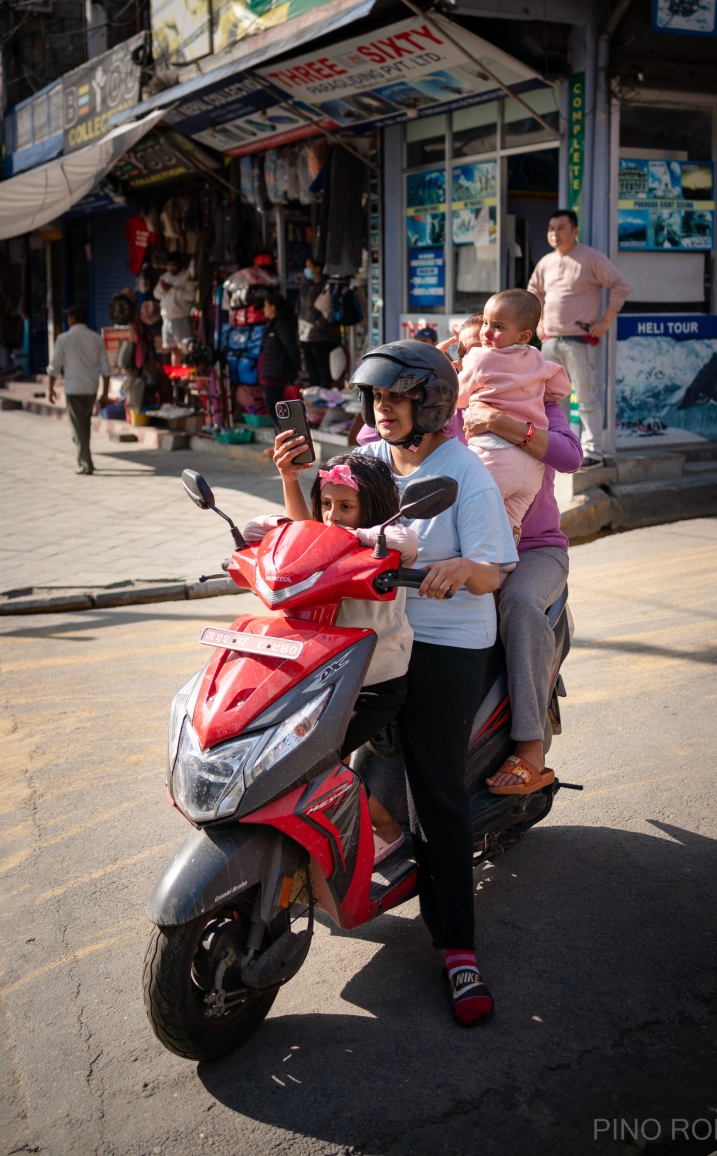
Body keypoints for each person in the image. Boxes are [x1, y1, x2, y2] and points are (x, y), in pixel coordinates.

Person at [280, 341, 518, 1027]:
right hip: (378, 628)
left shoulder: (463, 474)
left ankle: (458, 950)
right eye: (375, 399)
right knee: (314, 747)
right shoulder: (371, 458)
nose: (382, 410)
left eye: (395, 398)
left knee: (433, 789)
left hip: (444, 639)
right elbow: (323, 528)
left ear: (432, 402)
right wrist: (295, 478)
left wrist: (458, 573)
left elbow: (494, 570)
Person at [246, 450, 418, 863]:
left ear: (372, 507)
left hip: (377, 682)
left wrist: (344, 535)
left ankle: (387, 830)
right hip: (324, 678)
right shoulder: (326, 542)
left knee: (316, 762)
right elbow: (280, 532)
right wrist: (288, 491)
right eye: (326, 504)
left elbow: (406, 540)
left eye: (346, 506)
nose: (332, 515)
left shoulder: (383, 545)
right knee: (287, 757)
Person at [459, 394, 582, 795]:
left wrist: (499, 422)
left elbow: (570, 456)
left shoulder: (536, 399)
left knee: (520, 602)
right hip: (465, 550)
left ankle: (530, 746)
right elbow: (379, 441)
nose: (488, 347)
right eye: (475, 344)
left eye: (497, 331)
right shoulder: (451, 402)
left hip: (535, 550)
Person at [456, 289, 570, 542]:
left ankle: (486, 565)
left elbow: (458, 397)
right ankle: (505, 560)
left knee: (471, 518)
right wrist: (532, 389)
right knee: (509, 523)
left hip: (493, 456)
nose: (486, 332)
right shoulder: (537, 359)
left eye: (497, 327)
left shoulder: (479, 358)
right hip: (532, 467)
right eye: (486, 323)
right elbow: (562, 387)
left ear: (524, 335)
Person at [527, 209, 629, 469]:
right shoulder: (546, 262)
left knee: (586, 396)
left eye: (561, 228)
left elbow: (619, 284)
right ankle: (557, 448)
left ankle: (593, 451)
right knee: (551, 399)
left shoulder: (590, 258)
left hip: (580, 341)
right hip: (550, 340)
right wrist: (538, 323)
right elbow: (533, 292)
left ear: (575, 231)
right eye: (551, 228)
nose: (554, 233)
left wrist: (605, 320)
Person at [46, 304, 110, 475]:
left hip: (73, 389)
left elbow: (54, 368)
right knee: (84, 424)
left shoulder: (63, 339)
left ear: (72, 319)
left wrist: (50, 389)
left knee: (78, 427)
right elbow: (106, 369)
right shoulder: (96, 339)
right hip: (90, 389)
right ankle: (85, 458)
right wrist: (104, 393)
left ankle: (85, 463)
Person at [258, 289, 302, 423]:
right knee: (274, 410)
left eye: (266, 306)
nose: (264, 309)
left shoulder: (282, 325)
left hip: (277, 374)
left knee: (277, 411)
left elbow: (291, 348)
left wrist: (297, 368)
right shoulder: (271, 325)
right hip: (269, 374)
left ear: (273, 307)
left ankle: (286, 440)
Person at [297, 257, 333, 388]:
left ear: (318, 269)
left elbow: (330, 309)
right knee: (310, 367)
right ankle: (313, 393)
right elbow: (299, 307)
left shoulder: (325, 286)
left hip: (319, 334)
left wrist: (320, 324)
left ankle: (324, 392)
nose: (307, 270)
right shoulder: (306, 286)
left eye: (309, 266)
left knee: (322, 366)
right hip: (304, 332)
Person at [152, 253, 196, 360]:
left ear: (179, 264)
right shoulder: (164, 277)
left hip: (181, 319)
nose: (171, 267)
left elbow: (191, 296)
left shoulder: (186, 276)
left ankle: (186, 375)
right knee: (173, 350)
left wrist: (171, 289)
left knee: (185, 349)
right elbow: (156, 294)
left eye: (173, 265)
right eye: (169, 265)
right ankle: (176, 376)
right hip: (167, 319)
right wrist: (163, 288)